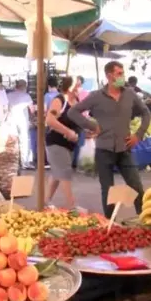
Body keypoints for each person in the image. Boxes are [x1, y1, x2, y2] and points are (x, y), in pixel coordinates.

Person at [68, 61, 151, 218]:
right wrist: (91, 125)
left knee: (136, 187)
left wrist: (138, 135)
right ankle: (109, 224)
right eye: (119, 73)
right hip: (104, 150)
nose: (122, 76)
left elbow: (146, 113)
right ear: (109, 76)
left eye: (122, 73)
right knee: (108, 190)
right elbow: (73, 112)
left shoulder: (130, 94)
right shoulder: (96, 97)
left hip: (125, 149)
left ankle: (144, 220)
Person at [45, 76, 83, 210]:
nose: (80, 88)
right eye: (77, 86)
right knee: (65, 172)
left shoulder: (76, 102)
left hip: (69, 145)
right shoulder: (59, 100)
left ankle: (46, 202)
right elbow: (50, 120)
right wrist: (67, 132)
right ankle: (72, 207)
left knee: (57, 173)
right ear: (70, 86)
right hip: (56, 143)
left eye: (80, 85)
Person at [7, 79, 34, 170]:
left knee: (13, 141)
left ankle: (13, 162)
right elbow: (32, 110)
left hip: (11, 120)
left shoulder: (9, 95)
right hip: (23, 120)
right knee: (24, 141)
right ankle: (24, 162)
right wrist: (33, 118)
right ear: (24, 87)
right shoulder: (27, 96)